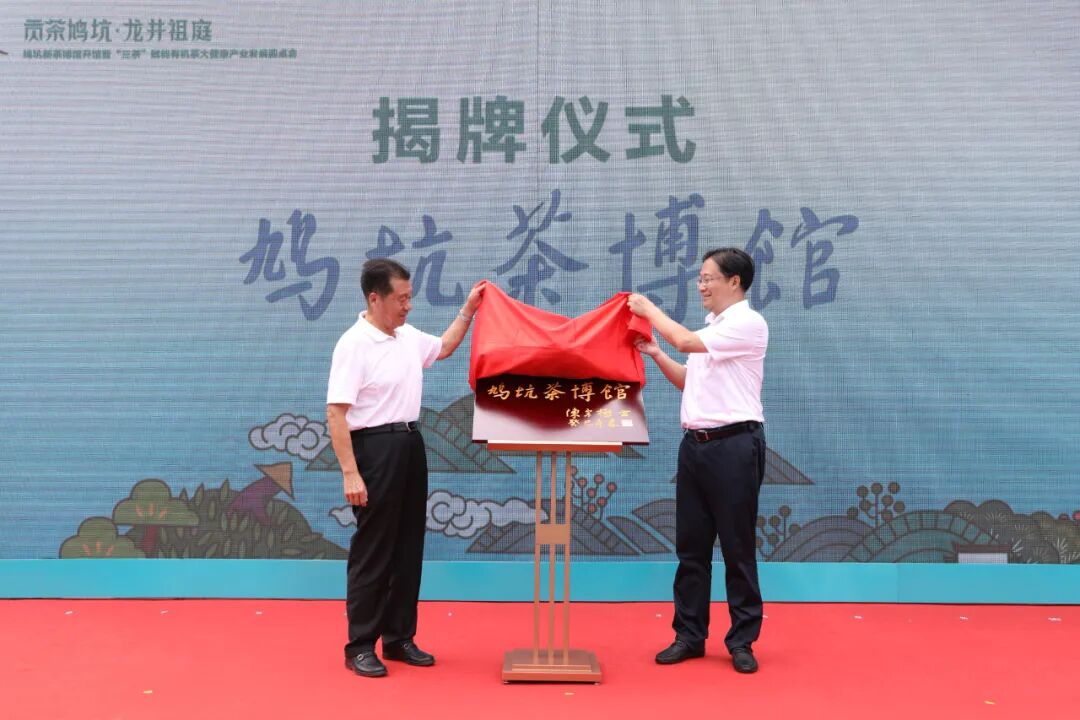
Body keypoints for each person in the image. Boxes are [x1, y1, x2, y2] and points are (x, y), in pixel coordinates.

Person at [326, 258, 483, 678]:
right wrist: (350, 472)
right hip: (374, 448)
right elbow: (336, 414)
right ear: (374, 298)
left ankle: (398, 638)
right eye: (401, 299)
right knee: (374, 549)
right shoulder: (354, 344)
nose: (408, 306)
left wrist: (469, 309)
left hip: (410, 444)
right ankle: (361, 644)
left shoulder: (408, 337)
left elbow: (444, 347)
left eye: (410, 297)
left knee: (408, 547)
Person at [627, 247, 769, 674]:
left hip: (734, 446)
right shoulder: (714, 327)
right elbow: (689, 381)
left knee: (737, 547)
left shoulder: (747, 323)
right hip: (695, 446)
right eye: (701, 278)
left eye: (708, 278)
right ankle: (689, 635)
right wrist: (656, 354)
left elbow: (685, 341)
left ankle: (742, 640)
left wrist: (649, 310)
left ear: (734, 282)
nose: (701, 286)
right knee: (691, 547)